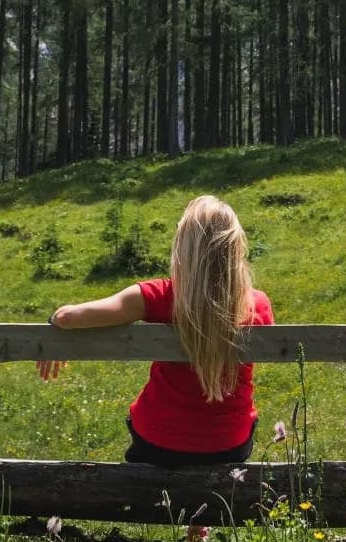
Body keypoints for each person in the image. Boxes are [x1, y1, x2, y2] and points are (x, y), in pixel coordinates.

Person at [39, 194, 272, 464]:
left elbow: (67, 317)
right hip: (230, 442)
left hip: (159, 439)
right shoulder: (258, 304)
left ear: (184, 246)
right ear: (235, 248)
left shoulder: (159, 296)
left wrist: (53, 331)